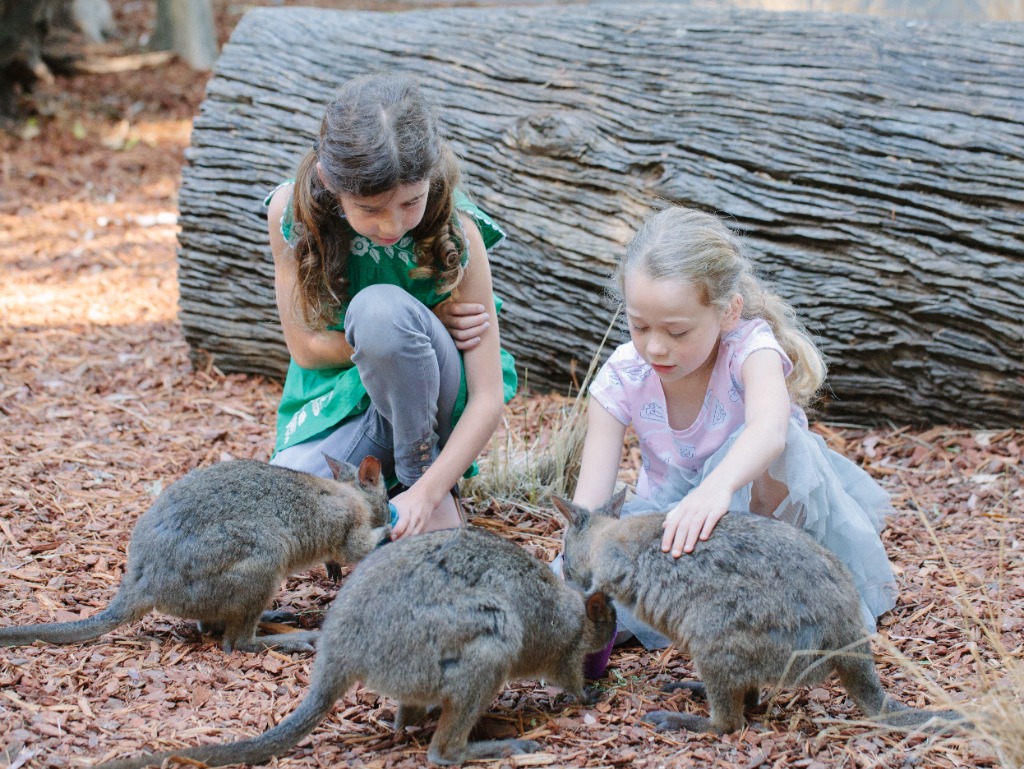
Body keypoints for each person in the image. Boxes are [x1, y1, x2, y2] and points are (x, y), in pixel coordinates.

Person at [573, 206, 897, 666]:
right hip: (674, 525)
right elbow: (590, 506)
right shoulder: (623, 376)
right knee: (586, 593)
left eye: (677, 330)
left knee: (787, 440)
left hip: (758, 526)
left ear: (728, 312)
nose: (655, 346)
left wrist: (717, 487)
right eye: (639, 326)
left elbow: (770, 430)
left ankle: (776, 602)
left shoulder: (749, 348)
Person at [264, 73, 516, 540]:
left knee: (379, 312)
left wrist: (429, 492)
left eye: (410, 201)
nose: (392, 224)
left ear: (432, 172)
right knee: (278, 508)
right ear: (328, 180)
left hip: (428, 408)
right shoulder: (291, 214)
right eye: (370, 208)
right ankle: (387, 499)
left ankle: (421, 485)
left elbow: (487, 395)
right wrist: (429, 322)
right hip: (342, 399)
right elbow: (305, 349)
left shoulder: (459, 229)